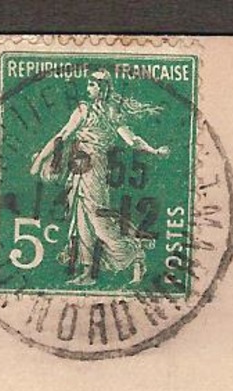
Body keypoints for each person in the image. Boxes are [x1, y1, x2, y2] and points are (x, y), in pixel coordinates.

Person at [27, 68, 171, 287]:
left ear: (103, 88)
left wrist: (153, 151)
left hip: (96, 169)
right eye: (88, 84)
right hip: (79, 168)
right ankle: (87, 273)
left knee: (98, 220)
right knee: (81, 219)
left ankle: (135, 254)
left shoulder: (112, 113)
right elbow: (62, 136)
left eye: (93, 85)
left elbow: (132, 140)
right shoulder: (82, 110)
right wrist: (39, 162)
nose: (89, 88)